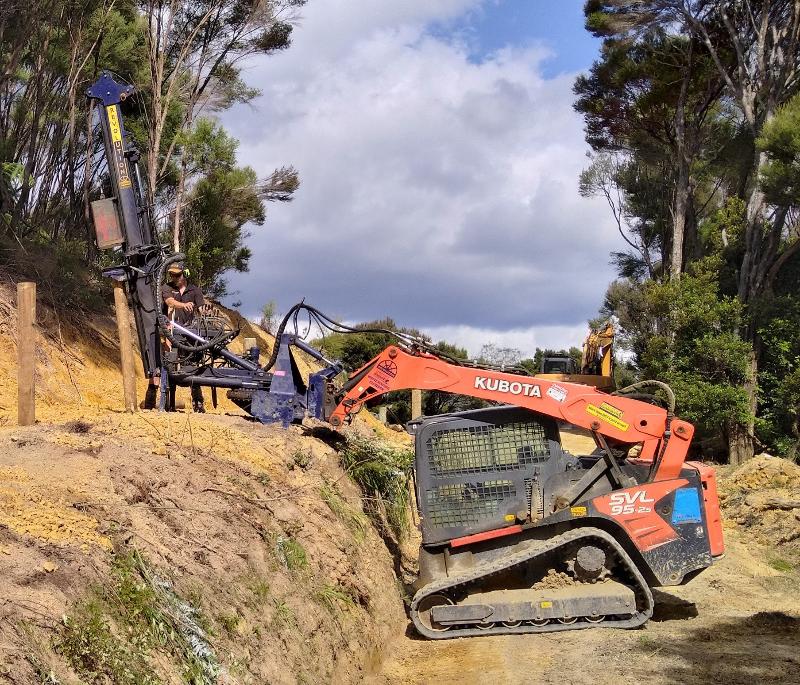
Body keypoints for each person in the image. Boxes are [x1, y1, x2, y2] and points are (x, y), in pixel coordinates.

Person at [142, 263, 206, 412]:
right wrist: (183, 305)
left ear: (185, 274)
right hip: (169, 333)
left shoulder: (195, 290)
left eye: (177, 275)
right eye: (172, 275)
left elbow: (202, 309)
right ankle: (151, 403)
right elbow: (169, 302)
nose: (174, 277)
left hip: (189, 335)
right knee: (161, 367)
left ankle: (198, 403)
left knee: (192, 366)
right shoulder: (167, 288)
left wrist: (204, 315)